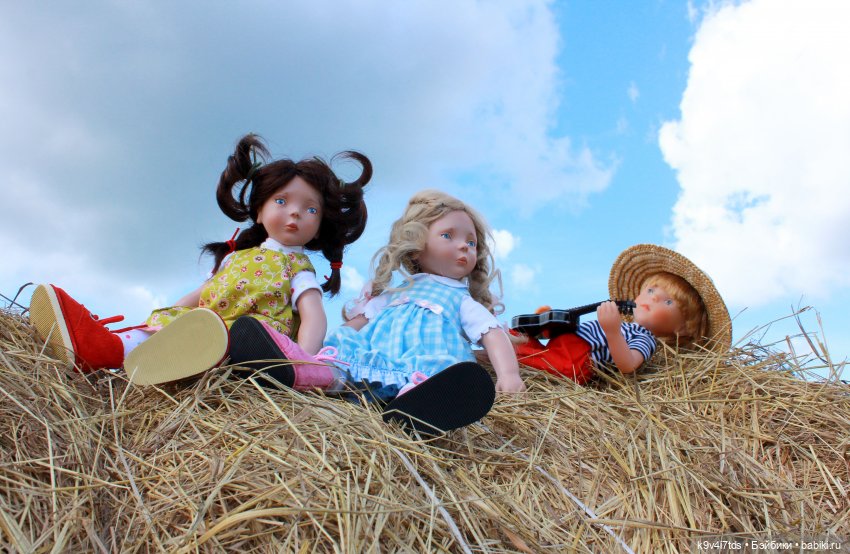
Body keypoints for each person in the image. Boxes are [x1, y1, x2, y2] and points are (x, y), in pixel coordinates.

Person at [29, 134, 370, 386]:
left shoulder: (298, 269)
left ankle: (185, 359)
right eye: (281, 201)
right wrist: (165, 318)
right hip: (205, 326)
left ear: (320, 224)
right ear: (259, 210)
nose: (295, 212)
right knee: (169, 327)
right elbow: (202, 293)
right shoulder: (236, 258)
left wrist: (302, 361)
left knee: (226, 337)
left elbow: (313, 317)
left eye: (310, 209)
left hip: (251, 342)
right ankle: (102, 348)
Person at [228, 189, 525, 433]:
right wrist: (330, 346)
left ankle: (417, 407)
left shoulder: (461, 301)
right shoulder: (394, 294)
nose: (464, 247)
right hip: (375, 361)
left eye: (471, 242)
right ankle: (303, 371)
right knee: (340, 358)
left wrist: (509, 375)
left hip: (422, 366)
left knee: (437, 375)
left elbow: (492, 335)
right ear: (416, 245)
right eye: (448, 236)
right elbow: (356, 324)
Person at [515, 244, 732, 384]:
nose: (653, 298)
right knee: (523, 340)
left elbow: (628, 364)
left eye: (668, 301)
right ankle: (514, 343)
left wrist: (612, 332)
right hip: (565, 345)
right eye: (651, 291)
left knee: (538, 361)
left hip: (578, 360)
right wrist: (552, 322)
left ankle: (509, 355)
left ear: (681, 328)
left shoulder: (645, 339)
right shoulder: (626, 326)